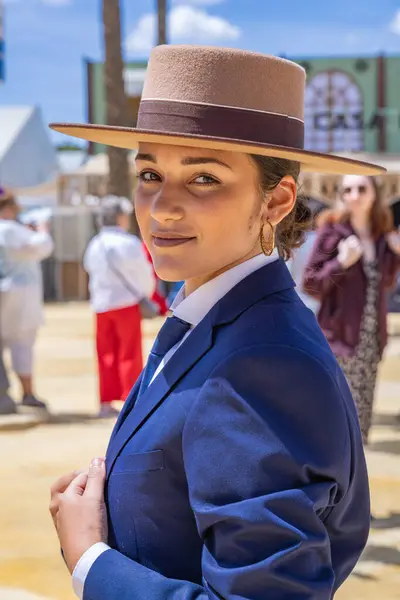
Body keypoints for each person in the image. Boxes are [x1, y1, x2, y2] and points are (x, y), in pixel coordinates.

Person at [49, 45, 385, 600]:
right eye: (150, 172)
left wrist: (91, 561)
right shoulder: (215, 318)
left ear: (276, 201)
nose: (161, 207)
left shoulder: (264, 362)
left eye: (204, 177)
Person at [303, 175, 400, 444]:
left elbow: (387, 283)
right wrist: (341, 263)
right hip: (339, 336)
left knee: (361, 418)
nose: (354, 195)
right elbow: (310, 283)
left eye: (361, 188)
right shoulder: (332, 233)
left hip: (371, 336)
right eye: (348, 190)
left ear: (374, 194)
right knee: (334, 415)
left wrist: (396, 254)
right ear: (341, 196)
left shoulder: (381, 236)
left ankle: (358, 476)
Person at [83, 196, 155, 419]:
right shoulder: (129, 243)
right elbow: (145, 273)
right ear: (120, 217)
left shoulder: (94, 243)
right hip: (126, 303)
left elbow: (88, 268)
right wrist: (146, 294)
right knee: (129, 352)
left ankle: (105, 401)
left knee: (105, 353)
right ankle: (128, 401)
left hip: (101, 304)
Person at [0, 188, 54, 410]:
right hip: (20, 292)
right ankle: (28, 393)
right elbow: (41, 247)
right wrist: (42, 229)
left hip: (5, 290)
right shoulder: (9, 229)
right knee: (22, 343)